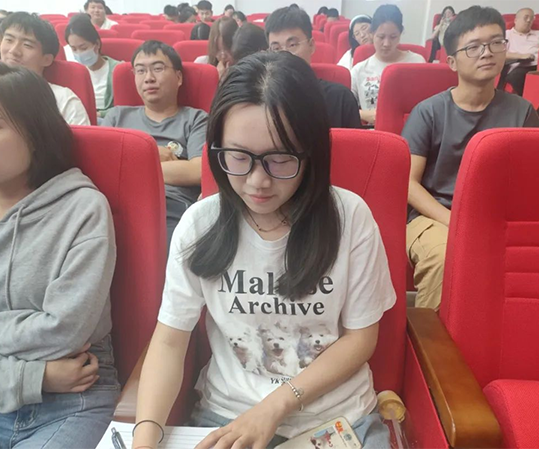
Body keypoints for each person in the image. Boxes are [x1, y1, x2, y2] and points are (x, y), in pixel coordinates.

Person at [131, 51, 395, 449]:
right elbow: (169, 341)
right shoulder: (200, 224)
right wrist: (145, 435)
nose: (257, 181)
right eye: (238, 156)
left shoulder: (349, 217)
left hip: (336, 419)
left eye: (280, 159)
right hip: (229, 418)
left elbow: (360, 339)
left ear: (311, 153)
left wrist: (274, 407)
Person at [0, 56, 118, 448]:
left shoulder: (82, 209)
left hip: (72, 396)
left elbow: (64, 331)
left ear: (34, 133)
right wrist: (34, 377)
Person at [403, 6, 539, 310]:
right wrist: (456, 222)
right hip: (433, 216)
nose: (487, 53)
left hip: (496, 218)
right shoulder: (428, 112)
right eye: (474, 47)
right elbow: (408, 184)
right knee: (445, 256)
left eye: (496, 43)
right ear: (452, 61)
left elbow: (532, 185)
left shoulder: (522, 112)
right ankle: (432, 340)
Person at [102, 41, 207, 247]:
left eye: (158, 68)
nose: (148, 78)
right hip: (115, 205)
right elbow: (103, 170)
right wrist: (152, 156)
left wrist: (129, 165)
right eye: (140, 71)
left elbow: (198, 171)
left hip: (169, 206)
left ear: (178, 77)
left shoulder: (196, 119)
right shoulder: (116, 116)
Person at [266, 6, 361, 129]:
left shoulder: (340, 99)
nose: (285, 55)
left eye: (292, 45)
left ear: (311, 45)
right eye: (276, 49)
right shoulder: (264, 101)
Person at [0, 12, 90, 126]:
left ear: (46, 59)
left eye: (27, 45)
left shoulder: (63, 100)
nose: (13, 51)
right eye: (9, 40)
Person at [351, 4, 425, 125]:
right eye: (381, 37)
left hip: (411, 129)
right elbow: (345, 108)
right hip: (374, 130)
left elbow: (427, 105)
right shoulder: (359, 70)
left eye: (393, 37)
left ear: (400, 34)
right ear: (372, 34)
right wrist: (365, 114)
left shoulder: (416, 63)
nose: (386, 43)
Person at [65, 14, 120, 118]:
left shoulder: (117, 69)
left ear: (97, 44)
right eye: (74, 49)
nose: (79, 53)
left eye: (83, 48)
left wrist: (98, 114)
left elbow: (124, 108)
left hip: (109, 120)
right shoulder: (73, 73)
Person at [505, 7, 539, 96]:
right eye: (526, 17)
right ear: (516, 20)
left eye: (531, 18)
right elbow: (501, 54)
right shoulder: (507, 34)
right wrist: (521, 56)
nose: (529, 20)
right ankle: (529, 99)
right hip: (521, 66)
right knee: (515, 76)